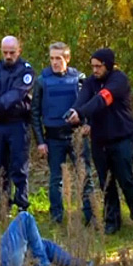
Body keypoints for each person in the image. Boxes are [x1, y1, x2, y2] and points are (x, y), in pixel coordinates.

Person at [66, 48, 133, 235]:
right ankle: (112, 221)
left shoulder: (118, 80)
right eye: (92, 66)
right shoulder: (89, 82)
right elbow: (82, 99)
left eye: (98, 66)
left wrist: (82, 113)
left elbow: (101, 100)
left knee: (126, 180)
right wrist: (74, 112)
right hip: (100, 141)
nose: (95, 70)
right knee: (106, 182)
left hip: (122, 138)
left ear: (108, 65)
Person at [31, 42, 95, 224]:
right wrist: (40, 142)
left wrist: (88, 124)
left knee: (85, 176)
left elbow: (89, 104)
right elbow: (34, 113)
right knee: (56, 180)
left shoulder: (79, 78)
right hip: (53, 137)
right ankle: (56, 217)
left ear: (67, 59)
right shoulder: (42, 81)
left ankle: (91, 217)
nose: (54, 62)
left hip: (76, 136)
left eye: (58, 58)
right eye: (52, 58)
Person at [0, 36, 35, 215]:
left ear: (19, 51)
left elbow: (18, 92)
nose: (8, 56)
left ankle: (22, 205)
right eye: (5, 52)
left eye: (12, 52)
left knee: (19, 166)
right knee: (0, 167)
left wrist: (1, 102)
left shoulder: (26, 71)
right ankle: (4, 205)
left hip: (18, 123)